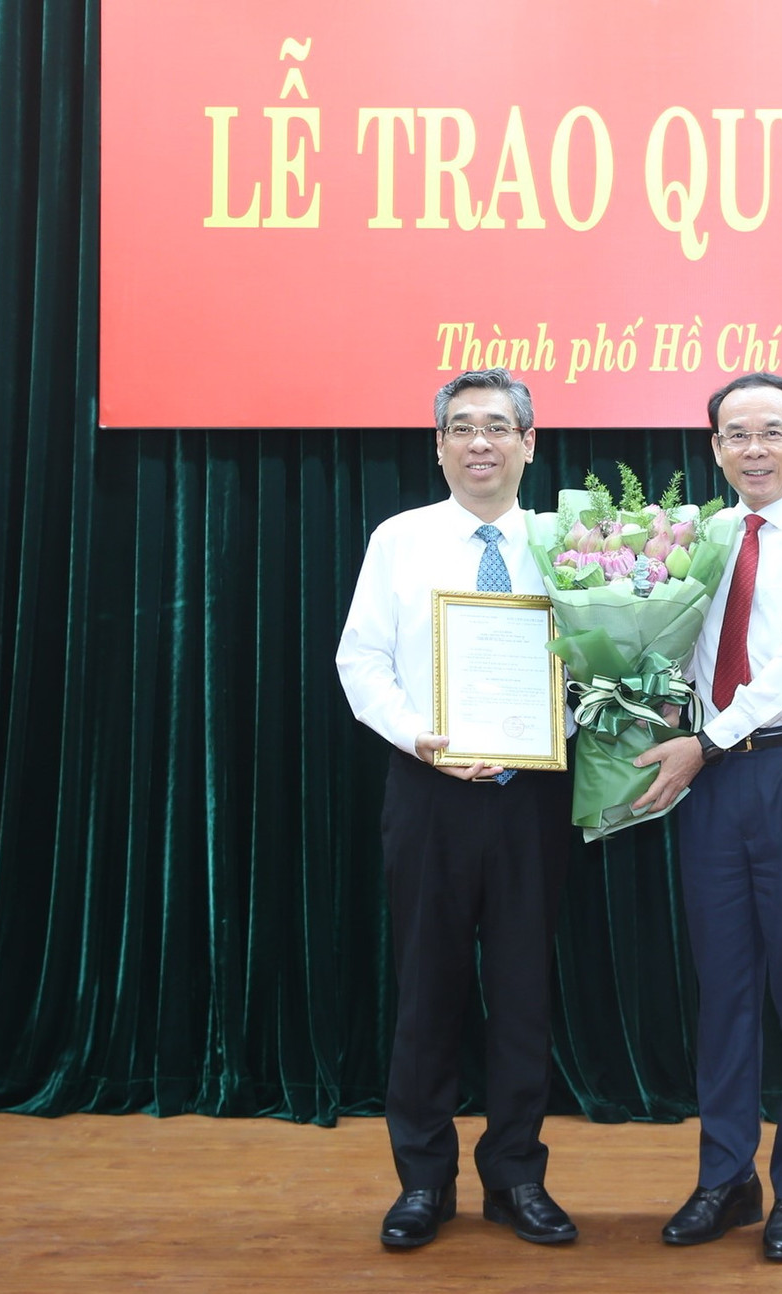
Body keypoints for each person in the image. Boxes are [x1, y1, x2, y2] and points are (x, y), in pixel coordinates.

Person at [632, 371, 782, 1262]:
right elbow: (682, 648)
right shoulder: (703, 535)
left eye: (772, 431)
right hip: (716, 785)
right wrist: (655, 704)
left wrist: (707, 737)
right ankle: (726, 1177)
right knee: (724, 987)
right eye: (736, 434)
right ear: (714, 448)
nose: (755, 449)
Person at [336, 368, 578, 1250]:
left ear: (529, 443)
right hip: (429, 791)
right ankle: (422, 1182)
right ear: (438, 445)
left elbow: (599, 663)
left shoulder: (568, 545)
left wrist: (567, 716)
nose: (482, 442)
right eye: (463, 427)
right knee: (426, 990)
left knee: (523, 993)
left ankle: (516, 1176)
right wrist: (420, 738)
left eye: (499, 426)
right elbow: (361, 660)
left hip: (532, 797)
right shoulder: (399, 539)